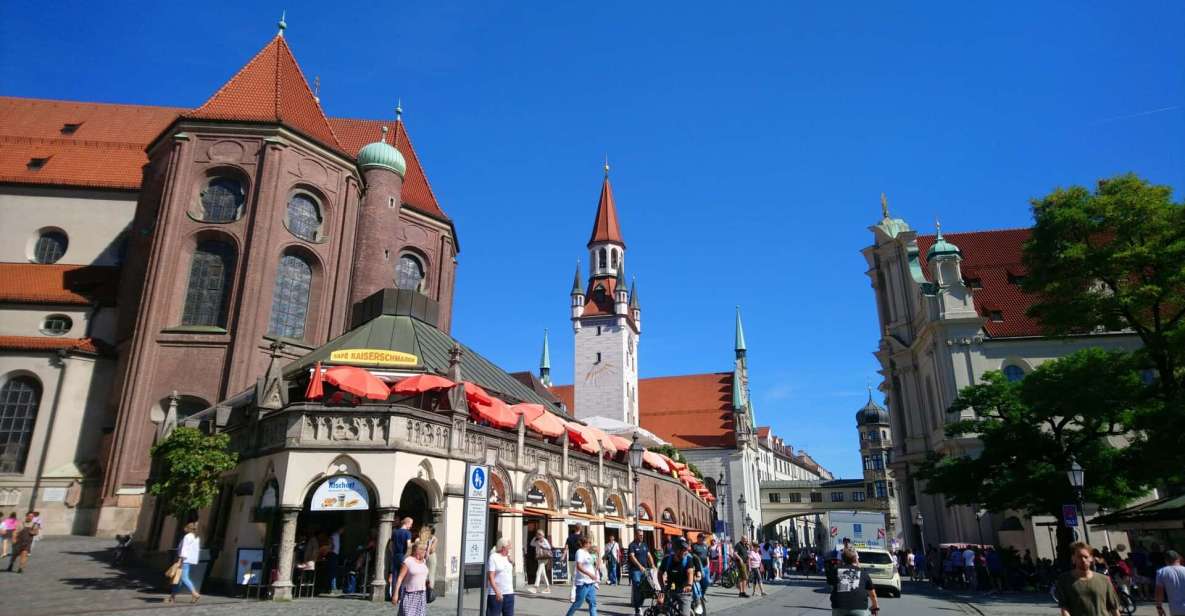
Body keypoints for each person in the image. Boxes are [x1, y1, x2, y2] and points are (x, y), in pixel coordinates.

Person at [1054, 541, 1120, 616]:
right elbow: (1064, 608)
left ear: (1091, 558)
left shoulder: (1104, 580)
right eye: (1079, 557)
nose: (1083, 560)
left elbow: (1114, 609)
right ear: (1073, 559)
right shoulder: (1065, 580)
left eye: (1086, 557)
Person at [826, 549, 879, 616]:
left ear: (842, 559)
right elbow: (873, 595)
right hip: (860, 609)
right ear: (856, 559)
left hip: (839, 607)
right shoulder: (863, 573)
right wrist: (875, 606)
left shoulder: (836, 571)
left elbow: (831, 584)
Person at [658, 537, 702, 616]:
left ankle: (696, 603)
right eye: (684, 550)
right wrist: (662, 587)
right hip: (670, 590)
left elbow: (690, 573)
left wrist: (688, 585)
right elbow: (659, 573)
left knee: (684, 614)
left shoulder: (688, 560)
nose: (686, 552)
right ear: (676, 550)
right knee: (661, 608)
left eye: (686, 550)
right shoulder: (667, 560)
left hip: (684, 591)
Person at [392, 541, 432, 616]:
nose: (425, 552)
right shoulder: (408, 561)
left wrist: (427, 583)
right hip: (409, 594)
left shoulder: (423, 561)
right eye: (424, 550)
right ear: (418, 551)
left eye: (425, 550)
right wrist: (396, 594)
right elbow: (400, 578)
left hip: (421, 594)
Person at [166, 522, 200, 603]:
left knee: (184, 577)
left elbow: (184, 548)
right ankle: (172, 597)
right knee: (178, 578)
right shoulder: (196, 537)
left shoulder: (187, 536)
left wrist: (181, 559)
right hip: (189, 560)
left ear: (188, 528)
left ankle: (194, 593)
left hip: (184, 559)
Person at [565, 536, 600, 616]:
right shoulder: (579, 552)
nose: (590, 544)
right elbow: (579, 566)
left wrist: (598, 554)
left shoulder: (588, 552)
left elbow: (595, 566)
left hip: (591, 583)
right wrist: (590, 574)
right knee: (578, 603)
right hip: (583, 583)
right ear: (584, 544)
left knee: (593, 603)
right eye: (589, 543)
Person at [628, 530, 655, 616]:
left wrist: (653, 565)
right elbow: (632, 557)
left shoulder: (644, 545)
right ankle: (637, 609)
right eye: (640, 535)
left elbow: (649, 555)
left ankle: (639, 606)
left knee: (644, 589)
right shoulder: (632, 545)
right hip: (636, 570)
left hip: (645, 570)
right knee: (637, 588)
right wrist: (640, 567)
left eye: (642, 535)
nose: (641, 537)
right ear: (636, 535)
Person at [487, 537, 516, 616]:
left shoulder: (508, 557)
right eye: (509, 544)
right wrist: (497, 591)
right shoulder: (493, 557)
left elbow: (508, 570)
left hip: (509, 593)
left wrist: (512, 562)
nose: (510, 546)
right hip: (495, 594)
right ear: (503, 547)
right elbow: (490, 576)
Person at [388, 517, 413, 600]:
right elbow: (408, 545)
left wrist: (392, 554)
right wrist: (407, 556)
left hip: (395, 556)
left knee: (395, 576)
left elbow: (390, 546)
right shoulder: (407, 533)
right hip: (403, 556)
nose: (411, 526)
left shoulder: (395, 532)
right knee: (403, 577)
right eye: (411, 524)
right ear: (407, 523)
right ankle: (401, 596)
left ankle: (394, 596)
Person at [1156, 550, 1185, 616]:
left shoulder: (1161, 572)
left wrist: (1159, 607)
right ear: (1178, 559)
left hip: (1176, 610)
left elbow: (1159, 593)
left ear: (1166, 560)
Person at [567, 527, 584, 602]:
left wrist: (563, 556)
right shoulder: (582, 538)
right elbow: (584, 548)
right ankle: (573, 596)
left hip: (571, 559)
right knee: (576, 578)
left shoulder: (569, 537)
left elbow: (566, 547)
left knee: (573, 577)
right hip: (579, 559)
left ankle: (573, 595)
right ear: (580, 529)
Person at [327, 525, 344, 594]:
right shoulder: (334, 535)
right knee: (333, 571)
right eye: (342, 529)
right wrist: (332, 548)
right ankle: (332, 587)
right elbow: (330, 542)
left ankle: (333, 587)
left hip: (335, 554)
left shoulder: (338, 536)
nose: (343, 531)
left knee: (334, 571)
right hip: (333, 554)